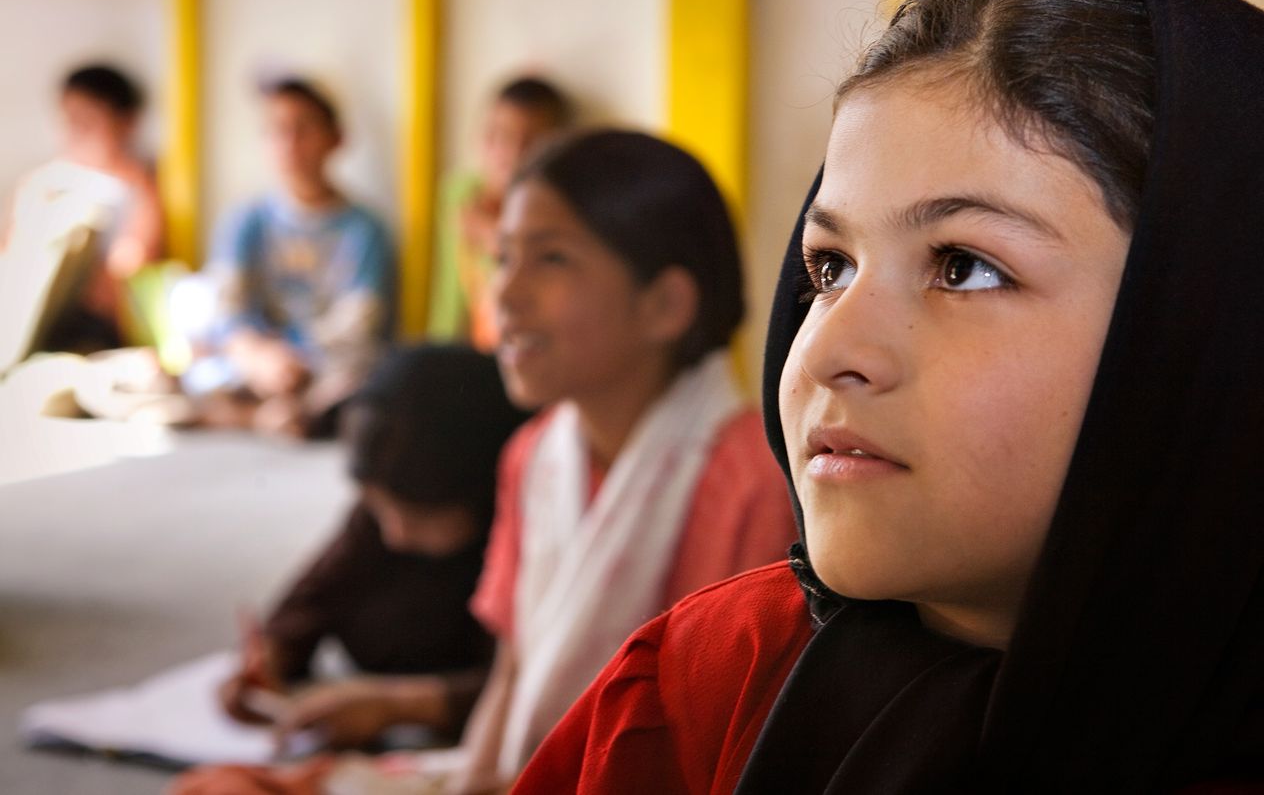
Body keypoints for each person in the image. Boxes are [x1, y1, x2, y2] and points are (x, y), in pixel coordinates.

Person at [511, 0, 1264, 793]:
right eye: (828, 267)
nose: (828, 349)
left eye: (965, 268)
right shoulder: (708, 682)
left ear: (1210, 343)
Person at [172, 130, 796, 794]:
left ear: (665, 305)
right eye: (503, 257)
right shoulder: (536, 455)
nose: (505, 294)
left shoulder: (746, 479)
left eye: (551, 259)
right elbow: (515, 669)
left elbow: (719, 748)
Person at [218, 345, 528, 752]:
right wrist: (268, 658)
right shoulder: (385, 508)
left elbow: (529, 680)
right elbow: (314, 596)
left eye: (419, 516)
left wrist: (399, 706)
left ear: (484, 492)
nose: (395, 534)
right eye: (378, 507)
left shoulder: (523, 523)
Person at [195, 77, 395, 437]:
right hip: (255, 367)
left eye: (302, 129)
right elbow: (227, 311)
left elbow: (360, 323)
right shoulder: (244, 221)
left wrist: (295, 362)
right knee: (189, 373)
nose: (289, 144)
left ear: (336, 138)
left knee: (366, 387)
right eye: (277, 130)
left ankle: (262, 416)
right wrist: (260, 358)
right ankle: (269, 417)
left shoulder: (367, 230)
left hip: (326, 369)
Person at [0, 63, 164, 355]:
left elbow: (136, 256)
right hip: (27, 308)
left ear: (125, 123)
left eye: (88, 120)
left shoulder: (135, 184)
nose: (76, 131)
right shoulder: (44, 181)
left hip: (93, 319)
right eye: (70, 119)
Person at [427, 76, 572, 349]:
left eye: (530, 141)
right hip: (468, 354)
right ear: (484, 136)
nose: (512, 153)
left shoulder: (559, 208)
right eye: (501, 135)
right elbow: (448, 300)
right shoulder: (461, 195)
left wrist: (493, 239)